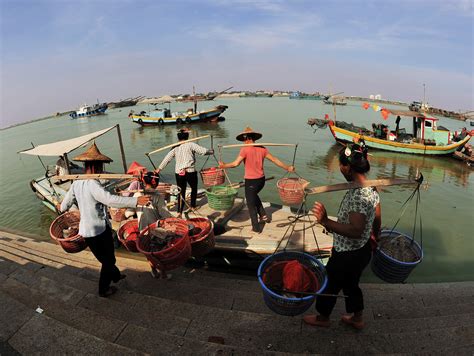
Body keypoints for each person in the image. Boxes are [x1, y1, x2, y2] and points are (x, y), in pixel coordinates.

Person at [303, 140, 381, 330]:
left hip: (348, 252)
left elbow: (356, 230)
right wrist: (375, 237)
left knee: (330, 283)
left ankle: (323, 318)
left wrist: (325, 221)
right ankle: (357, 317)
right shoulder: (372, 187)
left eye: (341, 165)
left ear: (348, 167)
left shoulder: (358, 195)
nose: (340, 168)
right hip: (363, 250)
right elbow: (377, 216)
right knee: (351, 284)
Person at [57, 142, 151, 297]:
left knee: (107, 258)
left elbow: (65, 204)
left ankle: (115, 276)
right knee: (107, 261)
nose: (102, 169)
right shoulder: (93, 184)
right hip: (97, 231)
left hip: (91, 230)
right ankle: (103, 289)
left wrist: (60, 207)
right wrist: (135, 201)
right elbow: (109, 200)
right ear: (95, 166)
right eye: (100, 166)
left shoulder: (76, 182)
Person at [219, 127, 295, 233]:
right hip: (261, 181)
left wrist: (224, 165)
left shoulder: (244, 149)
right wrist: (287, 167)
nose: (244, 142)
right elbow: (274, 159)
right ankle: (263, 215)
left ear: (246, 139)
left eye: (244, 139)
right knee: (254, 196)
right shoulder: (262, 148)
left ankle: (256, 228)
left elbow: (236, 163)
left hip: (251, 181)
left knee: (251, 204)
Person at [155, 128, 213, 218]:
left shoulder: (175, 147)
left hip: (179, 173)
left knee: (181, 192)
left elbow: (167, 159)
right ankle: (193, 206)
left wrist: (159, 169)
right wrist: (211, 151)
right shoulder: (191, 144)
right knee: (194, 189)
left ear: (178, 137)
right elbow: (203, 151)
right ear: (187, 137)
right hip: (190, 171)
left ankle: (179, 212)